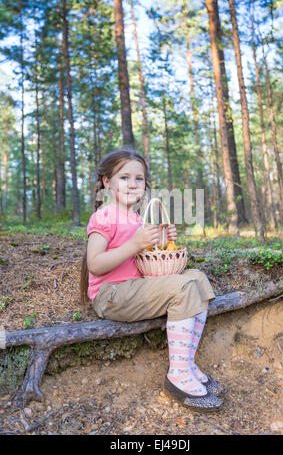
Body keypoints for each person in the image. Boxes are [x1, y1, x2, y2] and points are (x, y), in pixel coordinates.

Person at [80, 147, 224, 411]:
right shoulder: (103, 217)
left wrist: (161, 240)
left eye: (139, 178)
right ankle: (177, 375)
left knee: (197, 279)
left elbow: (140, 257)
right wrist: (135, 243)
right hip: (111, 295)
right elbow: (96, 264)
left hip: (134, 289)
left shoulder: (135, 217)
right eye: (124, 177)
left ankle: (187, 362)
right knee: (182, 287)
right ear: (107, 182)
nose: (133, 184)